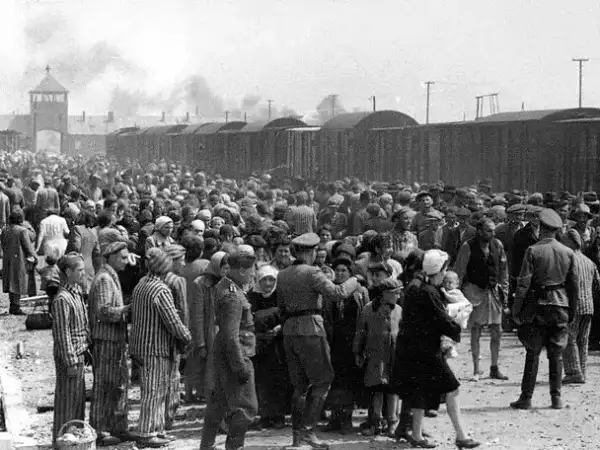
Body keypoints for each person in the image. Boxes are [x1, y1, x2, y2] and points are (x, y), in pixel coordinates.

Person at [277, 232, 361, 449]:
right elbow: (337, 293)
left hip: (289, 330)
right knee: (323, 380)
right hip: (311, 329)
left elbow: (282, 306)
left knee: (299, 386)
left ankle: (297, 437)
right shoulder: (312, 272)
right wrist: (355, 280)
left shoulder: (283, 274)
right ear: (311, 251)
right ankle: (308, 432)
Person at [392, 249, 480, 449]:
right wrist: (457, 325)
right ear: (439, 269)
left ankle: (416, 435)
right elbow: (442, 321)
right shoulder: (430, 292)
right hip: (427, 351)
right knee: (452, 388)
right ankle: (461, 436)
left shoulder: (419, 289)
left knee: (420, 390)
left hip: (414, 350)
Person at [511, 208, 579, 410]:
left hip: (537, 306)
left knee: (532, 353)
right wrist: (572, 311)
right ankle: (556, 398)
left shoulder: (533, 251)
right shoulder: (567, 252)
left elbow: (523, 284)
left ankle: (526, 397)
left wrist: (516, 309)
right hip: (561, 305)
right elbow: (573, 285)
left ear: (541, 228)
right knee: (556, 354)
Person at [130, 248, 191, 448]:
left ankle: (156, 429)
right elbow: (172, 321)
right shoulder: (160, 289)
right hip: (155, 348)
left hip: (140, 345)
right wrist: (187, 336)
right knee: (154, 391)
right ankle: (147, 432)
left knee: (152, 390)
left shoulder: (141, 284)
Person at [200, 248, 258, 450]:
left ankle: (206, 445)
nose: (253, 274)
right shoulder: (233, 296)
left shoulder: (227, 285)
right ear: (241, 270)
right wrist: (240, 366)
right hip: (236, 353)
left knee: (219, 402)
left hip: (225, 351)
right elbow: (231, 335)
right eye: (252, 270)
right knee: (246, 406)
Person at [88, 241, 133, 446]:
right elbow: (103, 311)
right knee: (104, 386)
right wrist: (126, 310)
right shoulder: (105, 279)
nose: (126, 261)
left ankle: (117, 426)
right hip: (106, 340)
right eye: (123, 257)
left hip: (114, 340)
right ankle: (100, 429)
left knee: (118, 385)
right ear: (112, 257)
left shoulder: (110, 276)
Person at [454, 218, 509, 381]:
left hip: (493, 291)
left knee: (497, 331)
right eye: (488, 230)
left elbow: (504, 270)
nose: (492, 233)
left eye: (493, 230)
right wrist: (457, 295)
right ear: (479, 231)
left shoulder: (497, 245)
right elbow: (459, 270)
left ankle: (494, 367)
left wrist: (504, 291)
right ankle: (476, 370)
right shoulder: (467, 247)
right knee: (476, 330)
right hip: (474, 291)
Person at [322, 257, 369, 434]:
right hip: (335, 342)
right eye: (338, 270)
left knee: (350, 381)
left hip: (353, 342)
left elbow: (365, 316)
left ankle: (347, 420)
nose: (340, 273)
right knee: (336, 382)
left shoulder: (360, 291)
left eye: (344, 271)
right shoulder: (331, 292)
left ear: (351, 274)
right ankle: (335, 419)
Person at [353, 278, 402, 437]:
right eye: (395, 293)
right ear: (384, 294)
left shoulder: (399, 310)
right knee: (376, 390)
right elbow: (360, 332)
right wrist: (358, 352)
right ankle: (375, 423)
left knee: (392, 390)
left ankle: (392, 424)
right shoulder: (368, 309)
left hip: (393, 357)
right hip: (375, 356)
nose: (399, 296)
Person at [51, 253, 90, 445]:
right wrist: (71, 363)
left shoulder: (76, 292)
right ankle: (62, 440)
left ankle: (74, 439)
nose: (83, 273)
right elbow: (63, 335)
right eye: (80, 270)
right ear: (68, 271)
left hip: (80, 355)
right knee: (67, 401)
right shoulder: (62, 300)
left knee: (78, 401)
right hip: (71, 359)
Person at [248, 265, 289, 430]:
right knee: (262, 380)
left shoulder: (282, 296)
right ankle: (265, 415)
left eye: (271, 279)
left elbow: (287, 315)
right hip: (260, 343)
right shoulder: (252, 296)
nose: (268, 283)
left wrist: (279, 328)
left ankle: (279, 416)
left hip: (278, 343)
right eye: (264, 279)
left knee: (279, 379)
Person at [561, 229, 600, 384]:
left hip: (573, 305)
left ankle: (573, 372)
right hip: (588, 305)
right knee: (583, 340)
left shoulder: (568, 259)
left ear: (571, 241)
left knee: (569, 338)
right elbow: (597, 284)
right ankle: (582, 370)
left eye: (564, 240)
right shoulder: (589, 261)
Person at [2, 210, 37, 315]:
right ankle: (16, 306)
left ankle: (13, 304)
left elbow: (3, 244)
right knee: (17, 281)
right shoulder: (22, 230)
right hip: (19, 259)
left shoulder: (5, 230)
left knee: (10, 281)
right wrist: (34, 257)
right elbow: (28, 246)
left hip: (7, 258)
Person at [440, 271, 473, 359]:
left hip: (459, 314)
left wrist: (445, 294)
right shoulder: (448, 290)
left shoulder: (456, 292)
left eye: (450, 282)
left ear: (457, 284)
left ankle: (451, 348)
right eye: (444, 282)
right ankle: (449, 349)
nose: (447, 285)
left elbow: (454, 300)